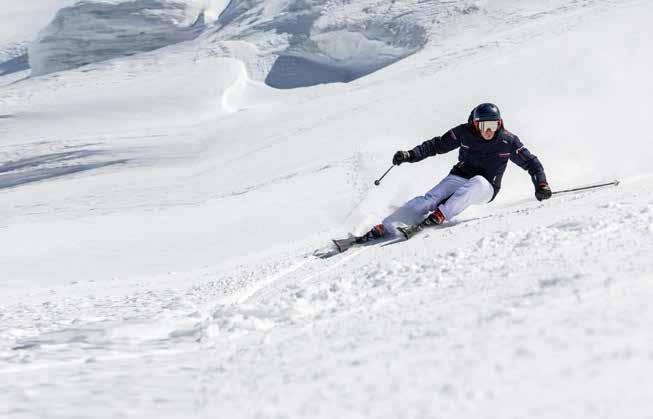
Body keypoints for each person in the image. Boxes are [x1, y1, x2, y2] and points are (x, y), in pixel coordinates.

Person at [359, 103, 552, 242]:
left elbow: (532, 163)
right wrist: (410, 154)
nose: (489, 131)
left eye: (493, 125)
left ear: (500, 123)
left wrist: (541, 184)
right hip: (460, 175)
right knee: (429, 199)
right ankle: (386, 226)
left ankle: (439, 215)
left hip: (487, 187)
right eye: (484, 126)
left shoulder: (508, 141)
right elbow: (436, 145)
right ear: (476, 124)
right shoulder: (464, 132)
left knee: (477, 182)